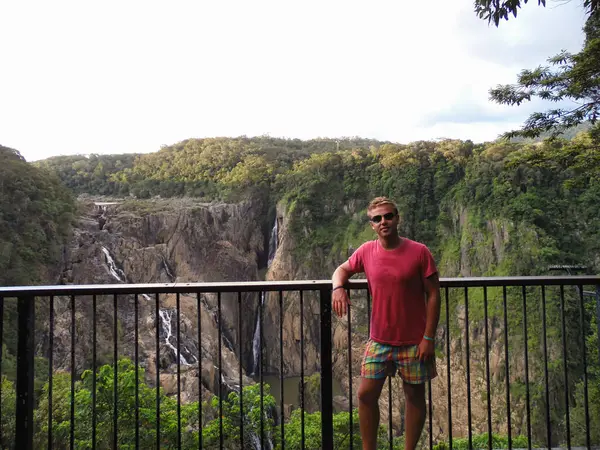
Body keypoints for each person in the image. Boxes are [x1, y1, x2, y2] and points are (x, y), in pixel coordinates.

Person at [331, 196, 441, 450]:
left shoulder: (419, 251)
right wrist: (338, 288)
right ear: (371, 224)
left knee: (414, 397)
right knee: (365, 395)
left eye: (388, 216)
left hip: (414, 342)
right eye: (377, 218)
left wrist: (429, 338)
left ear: (397, 218)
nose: (384, 221)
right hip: (379, 340)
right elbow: (342, 269)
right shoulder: (367, 251)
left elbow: (434, 294)